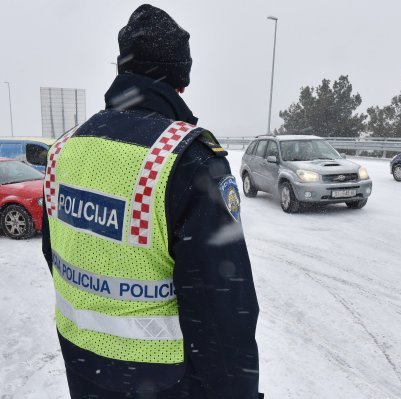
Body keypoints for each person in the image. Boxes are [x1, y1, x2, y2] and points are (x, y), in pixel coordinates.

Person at [41, 4, 262, 398]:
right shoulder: (186, 160)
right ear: (180, 82)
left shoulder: (63, 149)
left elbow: (56, 253)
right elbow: (222, 312)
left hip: (80, 363)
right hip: (160, 381)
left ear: (123, 71)